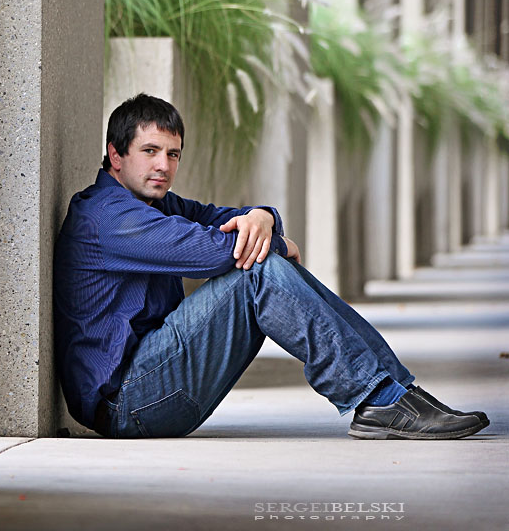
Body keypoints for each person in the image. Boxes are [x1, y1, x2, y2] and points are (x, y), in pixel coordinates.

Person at [53, 93, 488, 440]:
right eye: (150, 151)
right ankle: (379, 397)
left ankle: (395, 391)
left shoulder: (159, 203)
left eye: (173, 154)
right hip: (128, 403)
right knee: (256, 271)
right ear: (116, 155)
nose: (163, 166)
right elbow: (214, 252)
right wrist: (276, 241)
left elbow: (224, 216)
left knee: (259, 259)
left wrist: (264, 216)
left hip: (156, 381)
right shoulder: (107, 217)